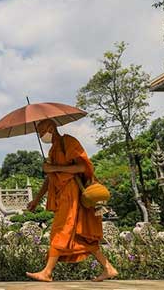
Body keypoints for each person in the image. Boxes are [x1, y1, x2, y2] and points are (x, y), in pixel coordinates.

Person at [25, 119, 117, 282]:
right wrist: (36, 200)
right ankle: (108, 268)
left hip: (72, 193)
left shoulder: (68, 142)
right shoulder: (53, 150)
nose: (41, 136)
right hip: (63, 194)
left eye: (41, 132)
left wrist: (53, 168)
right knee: (80, 236)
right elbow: (50, 179)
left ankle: (47, 272)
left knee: (60, 229)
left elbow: (83, 168)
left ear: (51, 128)